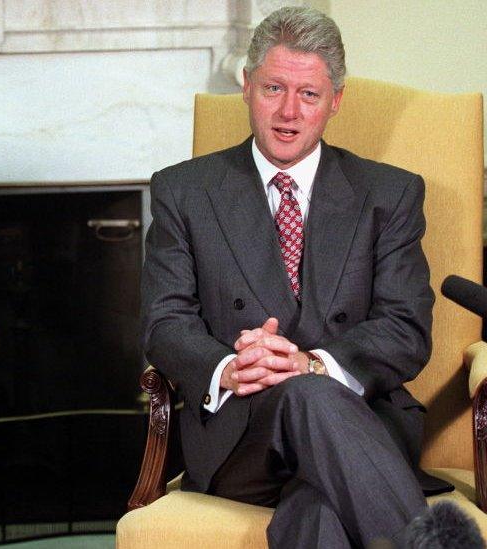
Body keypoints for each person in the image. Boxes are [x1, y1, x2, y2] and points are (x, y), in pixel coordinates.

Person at [141, 6, 471, 547]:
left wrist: (313, 364)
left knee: (317, 511)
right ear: (247, 86)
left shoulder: (389, 194)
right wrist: (230, 367)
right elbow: (164, 323)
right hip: (242, 437)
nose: (288, 112)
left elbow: (406, 328)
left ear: (336, 100)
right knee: (305, 396)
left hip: (363, 426)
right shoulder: (184, 191)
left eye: (309, 95)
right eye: (273, 88)